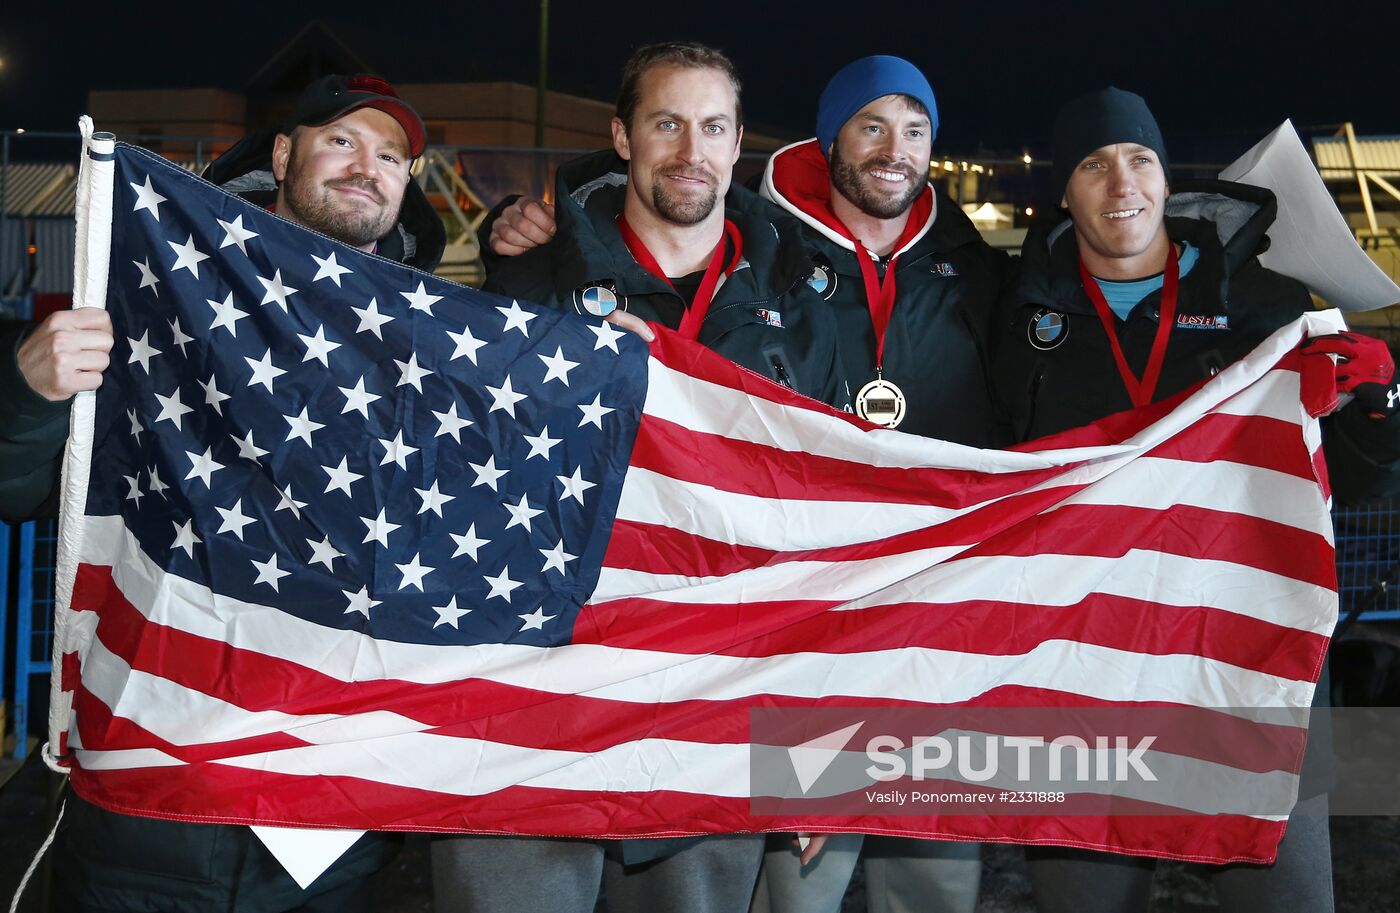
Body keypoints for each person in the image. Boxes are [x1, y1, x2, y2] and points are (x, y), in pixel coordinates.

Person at [10, 73, 446, 913]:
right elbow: (19, 490)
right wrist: (30, 393)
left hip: (327, 830)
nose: (368, 167)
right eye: (342, 140)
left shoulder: (435, 341)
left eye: (392, 156)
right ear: (282, 154)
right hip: (149, 809)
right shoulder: (156, 290)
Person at [430, 41, 847, 913]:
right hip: (531, 710)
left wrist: (815, 743)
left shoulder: (803, 304)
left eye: (713, 127)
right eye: (667, 124)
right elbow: (451, 488)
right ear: (622, 138)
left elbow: (826, 530)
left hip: (711, 708)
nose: (692, 150)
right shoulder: (524, 281)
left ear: (739, 144)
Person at [991, 86, 1400, 913]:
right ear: (1063, 192)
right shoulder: (1018, 312)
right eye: (1093, 165)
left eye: (1140, 159)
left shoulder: (1265, 306)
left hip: (1243, 673)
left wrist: (1377, 406)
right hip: (1082, 678)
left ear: (1167, 179)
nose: (1122, 183)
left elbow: (1362, 481)